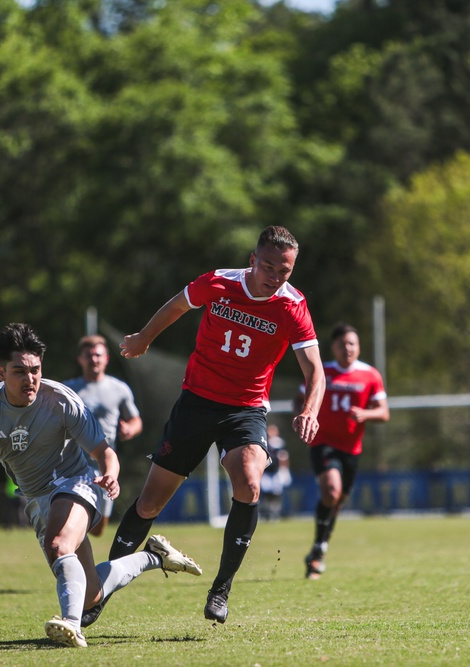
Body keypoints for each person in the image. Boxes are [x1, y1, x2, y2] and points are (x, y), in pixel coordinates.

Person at [108, 225, 326, 624]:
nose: (276, 277)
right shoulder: (219, 283)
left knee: (249, 481)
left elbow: (316, 372)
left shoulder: (293, 306)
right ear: (252, 260)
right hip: (196, 403)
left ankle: (221, 588)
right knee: (151, 500)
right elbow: (176, 305)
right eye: (270, 267)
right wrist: (143, 337)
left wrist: (310, 409)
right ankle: (98, 590)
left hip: (245, 410)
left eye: (285, 271)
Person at [0, 323, 201, 649]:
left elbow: (104, 452)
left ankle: (71, 626)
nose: (30, 379)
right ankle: (154, 557)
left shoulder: (61, 399)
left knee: (59, 545)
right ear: (0, 372)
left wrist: (109, 474)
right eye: (19, 371)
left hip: (77, 481)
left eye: (35, 370)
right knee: (91, 594)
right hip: (36, 496)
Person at [296, 323, 389, 580]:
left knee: (336, 503)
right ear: (333, 348)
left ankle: (318, 548)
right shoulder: (322, 371)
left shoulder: (370, 375)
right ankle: (318, 551)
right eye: (342, 344)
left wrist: (366, 413)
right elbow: (300, 398)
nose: (348, 348)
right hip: (323, 442)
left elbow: (384, 412)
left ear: (358, 347)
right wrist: (305, 415)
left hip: (352, 449)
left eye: (352, 344)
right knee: (332, 491)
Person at [64, 334, 143, 537]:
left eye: (98, 355)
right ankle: (71, 543)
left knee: (98, 529)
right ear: (80, 359)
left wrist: (129, 429)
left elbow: (136, 421)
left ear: (106, 358)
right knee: (72, 519)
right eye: (89, 356)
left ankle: (77, 534)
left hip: (105, 465)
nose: (94, 360)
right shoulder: (68, 390)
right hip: (73, 464)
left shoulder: (118, 389)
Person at [259, 424, 292, 521]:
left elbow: (284, 457)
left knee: (276, 493)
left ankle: (275, 512)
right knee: (266, 493)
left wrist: (284, 470)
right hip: (266, 471)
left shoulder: (279, 443)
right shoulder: (264, 442)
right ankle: (266, 512)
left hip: (276, 472)